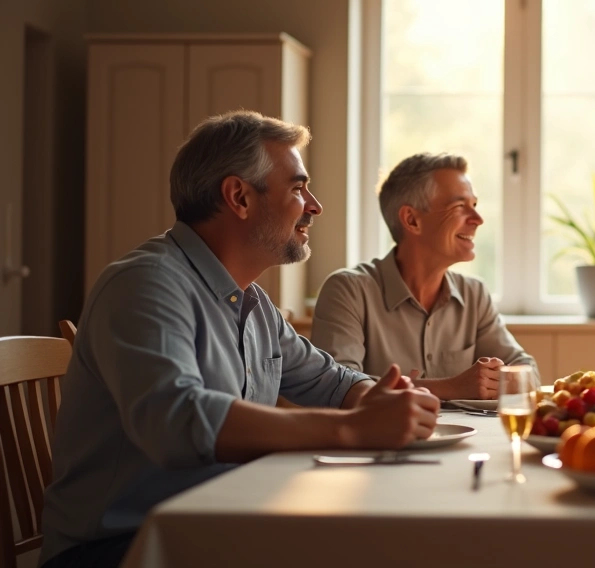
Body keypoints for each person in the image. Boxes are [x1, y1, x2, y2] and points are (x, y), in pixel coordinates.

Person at [40, 111, 440, 568]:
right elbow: (178, 419)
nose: (314, 205)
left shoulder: (252, 304)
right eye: (297, 188)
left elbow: (331, 381)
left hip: (217, 525)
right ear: (239, 197)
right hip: (121, 548)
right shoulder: (146, 283)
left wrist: (374, 397)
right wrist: (352, 428)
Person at [311, 153, 536, 399]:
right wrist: (454, 387)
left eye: (474, 205)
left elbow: (529, 372)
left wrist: (495, 380)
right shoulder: (348, 290)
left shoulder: (475, 294)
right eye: (460, 206)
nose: (478, 220)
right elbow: (337, 387)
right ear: (412, 220)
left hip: (467, 438)